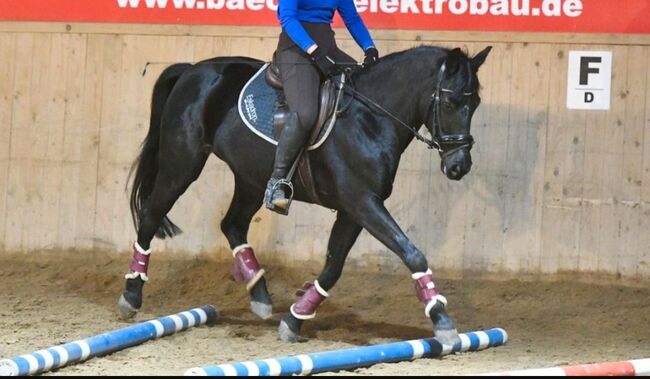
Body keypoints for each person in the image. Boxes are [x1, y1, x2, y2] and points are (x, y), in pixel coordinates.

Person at [264, 0, 380, 214]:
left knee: (364, 91)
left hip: (327, 49)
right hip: (296, 50)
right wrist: (313, 50)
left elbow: (352, 18)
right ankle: (277, 182)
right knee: (306, 114)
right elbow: (288, 18)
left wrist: (369, 47)